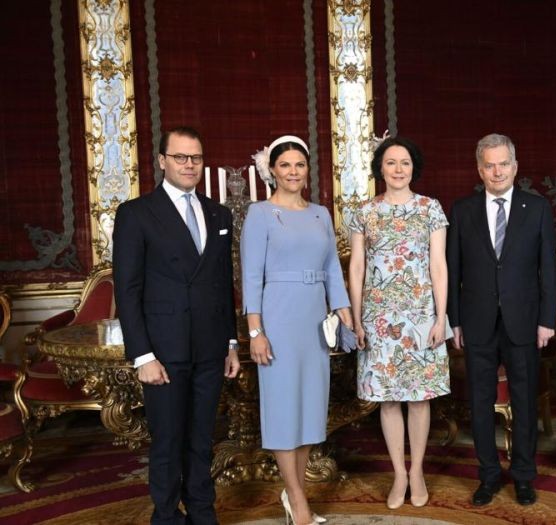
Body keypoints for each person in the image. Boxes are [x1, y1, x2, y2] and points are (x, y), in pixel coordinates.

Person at [113, 126, 241, 524]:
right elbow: (127, 289)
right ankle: (166, 517)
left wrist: (232, 342)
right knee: (167, 441)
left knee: (202, 439)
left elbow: (223, 284)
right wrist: (142, 355)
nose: (190, 165)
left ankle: (203, 513)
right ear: (162, 161)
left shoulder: (219, 213)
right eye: (182, 157)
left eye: (197, 158)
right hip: (162, 352)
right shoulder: (136, 213)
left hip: (209, 348)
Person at [241, 135, 352, 525]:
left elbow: (333, 272)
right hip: (279, 319)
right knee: (284, 408)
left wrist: (346, 315)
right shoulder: (260, 213)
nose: (292, 171)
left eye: (299, 165)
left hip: (314, 321)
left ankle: (294, 491)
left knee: (308, 410)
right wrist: (256, 332)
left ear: (308, 170)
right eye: (285, 165)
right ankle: (299, 501)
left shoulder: (322, 214)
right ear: (271, 170)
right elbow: (251, 277)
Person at [446, 133, 556, 507]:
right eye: (489, 165)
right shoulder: (462, 211)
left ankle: (524, 476)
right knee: (479, 403)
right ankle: (489, 475)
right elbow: (452, 269)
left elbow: (549, 269)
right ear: (480, 170)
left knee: (524, 400)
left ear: (515, 166)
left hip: (525, 321)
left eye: (503, 164)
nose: (497, 171)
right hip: (476, 322)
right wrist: (455, 321)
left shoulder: (537, 208)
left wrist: (547, 320)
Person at [348, 136, 451, 510]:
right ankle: (398, 473)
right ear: (380, 168)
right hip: (378, 318)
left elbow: (438, 266)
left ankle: (418, 470)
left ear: (413, 168)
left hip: (422, 316)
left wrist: (441, 317)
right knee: (389, 399)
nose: (397, 169)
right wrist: (357, 320)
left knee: (420, 399)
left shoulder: (430, 209)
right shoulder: (364, 212)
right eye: (390, 163)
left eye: (404, 163)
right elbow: (356, 267)